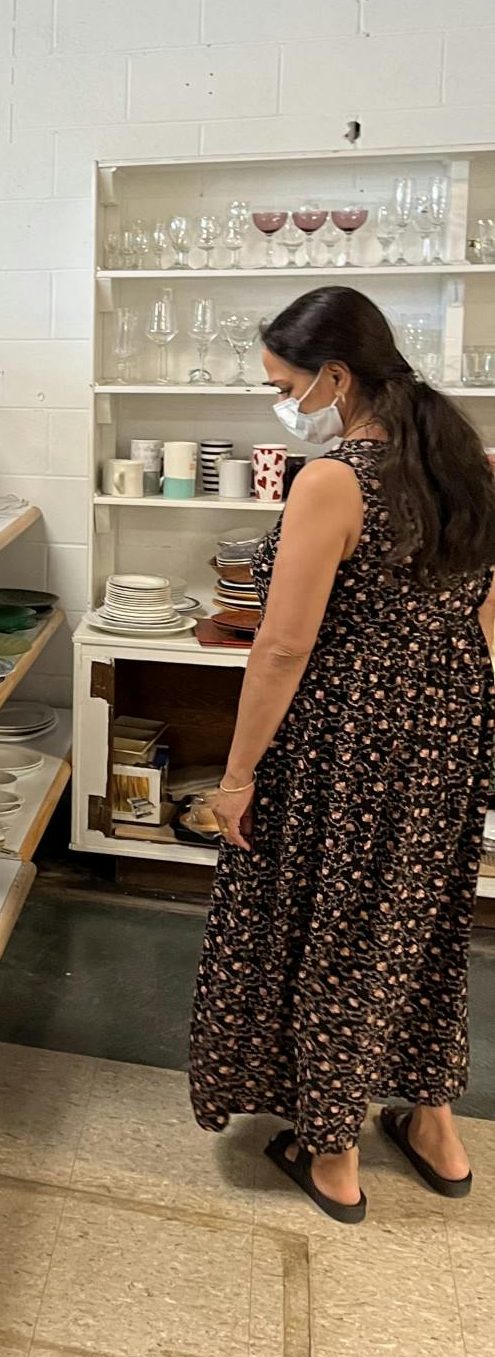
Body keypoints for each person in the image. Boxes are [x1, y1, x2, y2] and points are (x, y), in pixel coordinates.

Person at [189, 285, 495, 1222]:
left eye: (285, 383)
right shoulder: (470, 462)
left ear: (336, 376)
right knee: (420, 924)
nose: (282, 398)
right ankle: (435, 1123)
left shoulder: (333, 480)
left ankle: (332, 1153)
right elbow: (487, 615)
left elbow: (282, 647)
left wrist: (236, 778)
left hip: (345, 739)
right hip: (446, 729)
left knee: (331, 927)